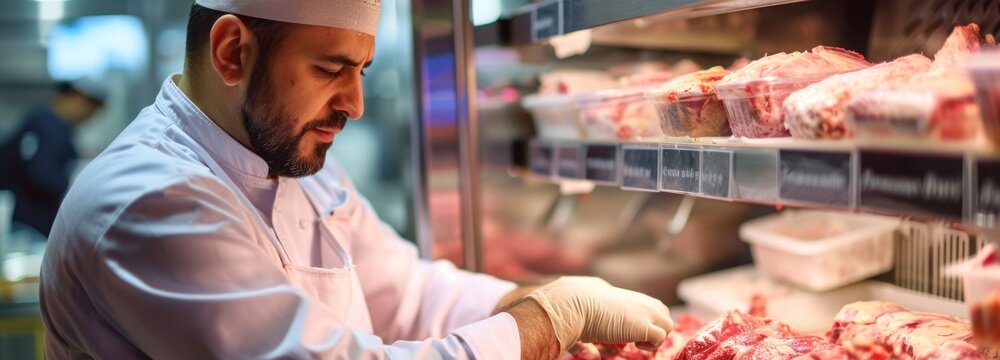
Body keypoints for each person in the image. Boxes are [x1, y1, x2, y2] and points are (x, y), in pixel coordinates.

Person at [39, 1, 673, 359]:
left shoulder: (291, 158)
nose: (355, 102)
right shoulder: (149, 201)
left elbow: (405, 292)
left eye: (363, 70)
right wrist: (544, 322)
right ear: (232, 51)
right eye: (329, 68)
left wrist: (532, 302)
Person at [0, 79, 105, 237]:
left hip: (33, 221)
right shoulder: (48, 126)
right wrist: (78, 190)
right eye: (90, 109)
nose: (89, 116)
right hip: (29, 223)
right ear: (77, 99)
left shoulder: (52, 125)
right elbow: (42, 175)